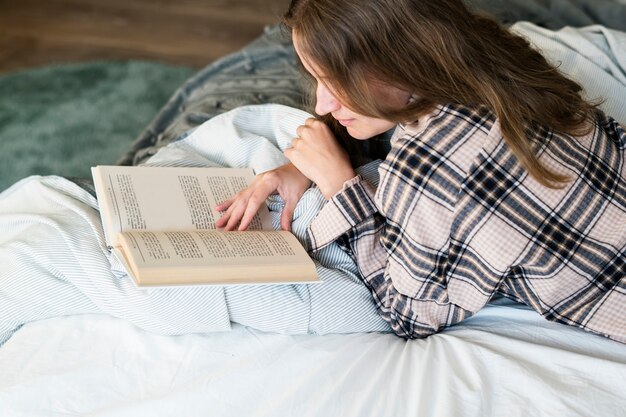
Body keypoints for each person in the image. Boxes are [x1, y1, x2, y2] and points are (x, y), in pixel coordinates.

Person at [215, 0, 626, 342]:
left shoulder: (427, 167)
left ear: (396, 58)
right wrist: (310, 160)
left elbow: (409, 315)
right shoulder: (499, 56)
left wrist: (339, 184)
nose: (322, 104)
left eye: (336, 80)